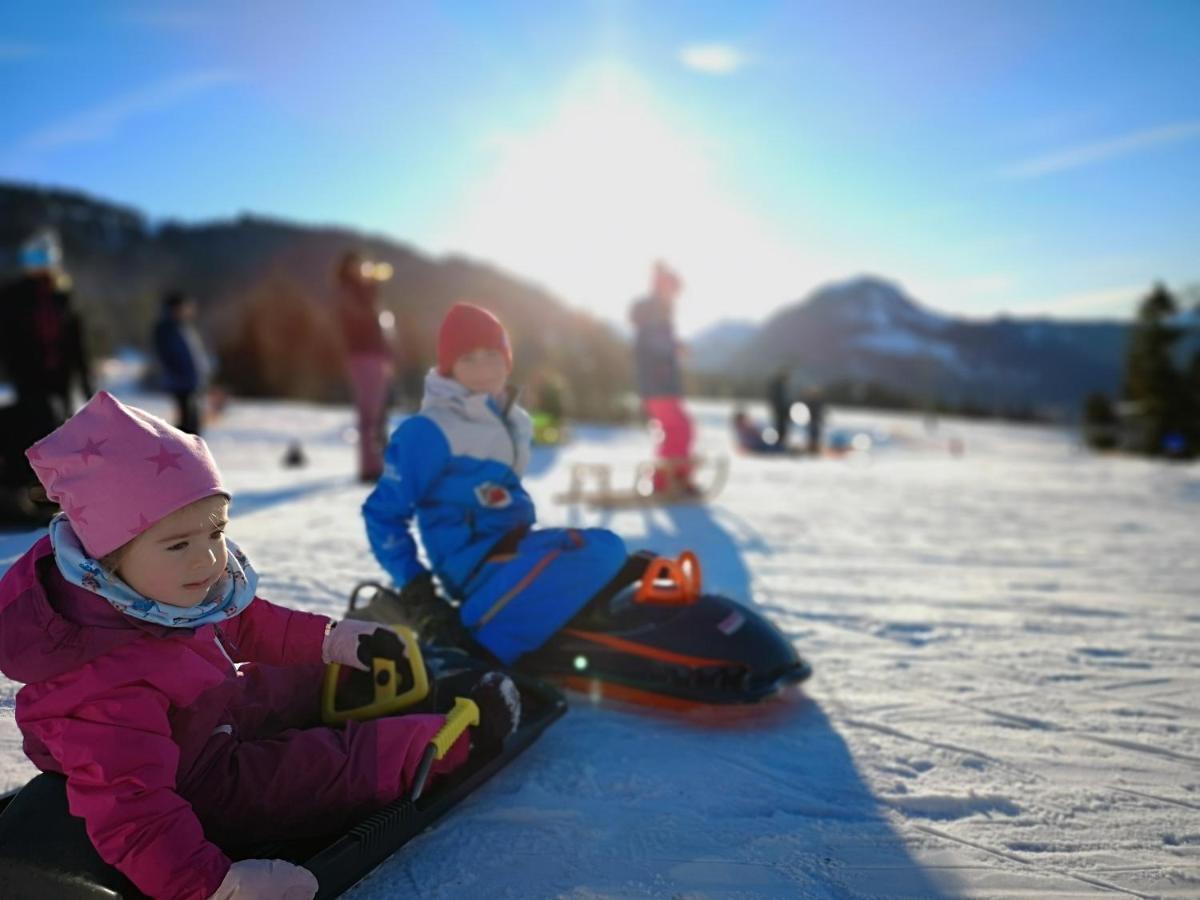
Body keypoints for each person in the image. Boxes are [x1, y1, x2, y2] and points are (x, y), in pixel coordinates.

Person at [0, 392, 519, 900]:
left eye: (215, 533)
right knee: (318, 769)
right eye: (179, 543)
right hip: (199, 787)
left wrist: (330, 641)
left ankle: (353, 685)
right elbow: (135, 814)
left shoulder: (152, 591)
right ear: (107, 555)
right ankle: (443, 742)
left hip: (207, 716)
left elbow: (246, 625)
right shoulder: (99, 687)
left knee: (281, 682)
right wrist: (215, 888)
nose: (207, 561)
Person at [363, 302, 628, 665]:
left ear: (507, 357)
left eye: (492, 354)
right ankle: (478, 649)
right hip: (476, 567)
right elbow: (383, 514)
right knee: (601, 552)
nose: (484, 367)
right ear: (449, 368)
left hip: (514, 548)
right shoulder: (430, 429)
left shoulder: (509, 420)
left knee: (608, 546)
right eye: (468, 358)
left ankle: (551, 610)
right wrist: (417, 589)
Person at [0, 228, 93, 438]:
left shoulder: (63, 296)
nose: (38, 265)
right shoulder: (13, 294)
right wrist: (16, 371)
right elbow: (7, 339)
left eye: (42, 257)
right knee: (37, 428)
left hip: (61, 377)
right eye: (33, 258)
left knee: (62, 429)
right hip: (29, 376)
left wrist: (86, 381)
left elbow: (76, 341)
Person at [628, 261, 696, 494]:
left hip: (659, 384)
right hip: (659, 384)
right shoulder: (654, 311)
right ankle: (669, 479)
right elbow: (652, 342)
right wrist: (674, 346)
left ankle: (669, 478)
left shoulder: (658, 311)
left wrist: (674, 345)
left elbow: (653, 341)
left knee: (676, 430)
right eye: (673, 289)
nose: (675, 296)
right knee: (681, 428)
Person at [336, 251, 395, 482]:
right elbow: (360, 319)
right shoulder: (349, 292)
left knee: (379, 411)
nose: (364, 269)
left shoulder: (366, 291)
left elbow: (380, 325)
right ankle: (369, 467)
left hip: (377, 355)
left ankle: (378, 462)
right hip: (362, 355)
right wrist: (369, 289)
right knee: (369, 412)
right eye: (358, 265)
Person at [153, 291, 211, 435]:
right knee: (188, 420)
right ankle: (184, 451)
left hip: (191, 381)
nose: (187, 310)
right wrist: (179, 372)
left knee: (193, 419)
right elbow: (166, 355)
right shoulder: (166, 328)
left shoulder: (183, 326)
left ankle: (188, 449)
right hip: (180, 382)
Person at [767, 369, 791, 448]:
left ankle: (781, 444)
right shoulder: (778, 387)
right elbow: (776, 400)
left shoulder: (782, 387)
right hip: (780, 412)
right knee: (779, 428)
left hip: (782, 412)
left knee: (782, 428)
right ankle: (779, 445)